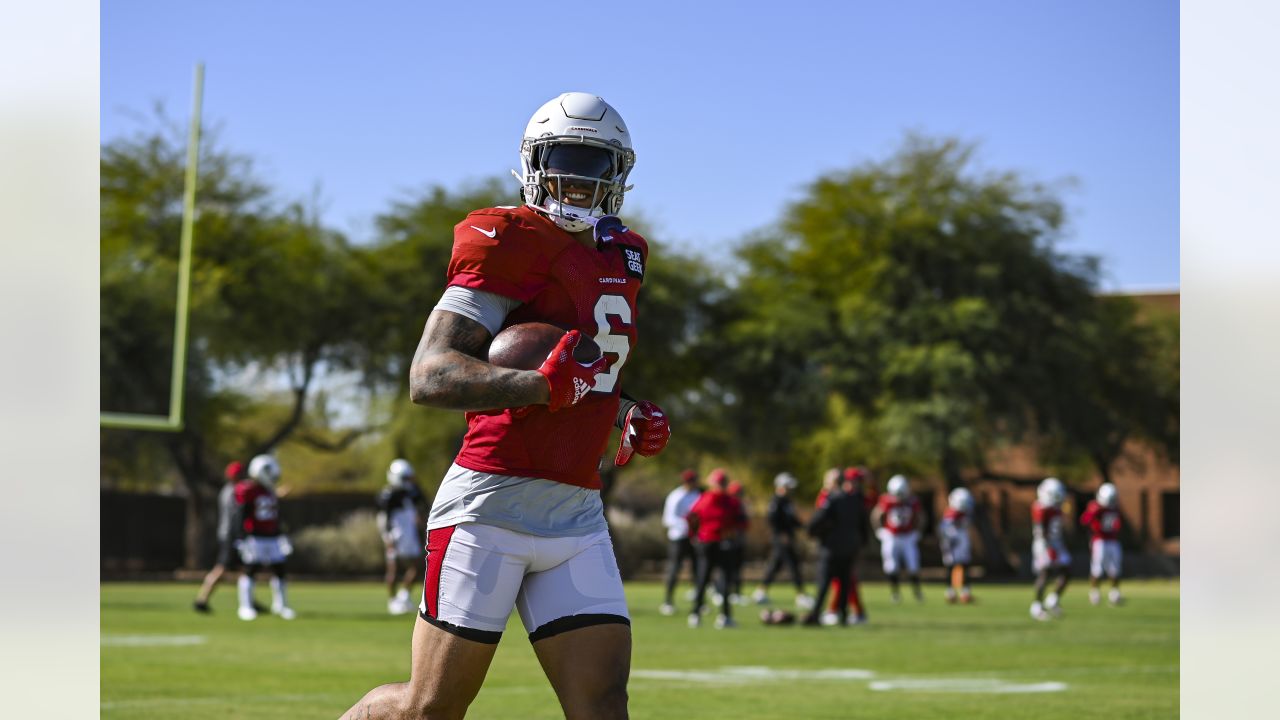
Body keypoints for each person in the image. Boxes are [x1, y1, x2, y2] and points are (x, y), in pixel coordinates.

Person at [340, 92, 670, 720]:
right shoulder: (505, 236)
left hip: (575, 511)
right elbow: (431, 374)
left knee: (602, 705)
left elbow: (581, 372)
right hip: (489, 504)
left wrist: (620, 409)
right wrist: (542, 388)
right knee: (429, 709)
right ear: (532, 162)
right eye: (564, 157)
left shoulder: (623, 253)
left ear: (619, 173)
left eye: (595, 162)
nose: (577, 177)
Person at [802, 469, 869, 626]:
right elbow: (863, 525)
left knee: (824, 582)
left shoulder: (832, 499)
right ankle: (843, 615)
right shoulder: (856, 501)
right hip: (850, 548)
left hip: (832, 548)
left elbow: (818, 521)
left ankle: (816, 614)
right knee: (845, 582)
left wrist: (813, 533)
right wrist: (860, 543)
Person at [233, 454, 295, 621]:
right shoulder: (248, 490)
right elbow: (241, 514)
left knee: (280, 570)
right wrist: (240, 537)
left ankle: (281, 605)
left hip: (272, 536)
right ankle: (245, 606)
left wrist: (282, 535)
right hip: (255, 537)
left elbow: (276, 515)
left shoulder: (270, 491)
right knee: (250, 570)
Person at [685, 469, 748, 629]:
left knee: (724, 581)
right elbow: (692, 518)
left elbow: (742, 522)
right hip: (709, 543)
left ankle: (724, 616)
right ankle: (696, 613)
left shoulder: (727, 501)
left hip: (723, 542)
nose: (720, 486)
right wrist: (694, 535)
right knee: (703, 579)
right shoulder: (709, 499)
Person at [193, 460, 250, 613]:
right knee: (221, 569)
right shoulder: (234, 492)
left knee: (246, 569)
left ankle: (249, 600)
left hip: (230, 535)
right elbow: (236, 516)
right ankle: (202, 599)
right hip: (231, 536)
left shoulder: (229, 490)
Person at [752, 472, 813, 610]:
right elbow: (772, 520)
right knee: (793, 565)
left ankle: (760, 592)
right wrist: (781, 535)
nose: (790, 490)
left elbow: (792, 520)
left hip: (787, 537)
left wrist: (805, 526)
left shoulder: (787, 502)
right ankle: (800, 595)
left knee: (775, 566)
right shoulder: (776, 501)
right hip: (781, 539)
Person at [378, 458, 430, 615]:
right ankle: (392, 601)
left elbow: (425, 506)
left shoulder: (413, 492)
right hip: (396, 533)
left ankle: (403, 595)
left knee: (418, 564)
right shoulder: (388, 495)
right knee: (393, 567)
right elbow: (384, 518)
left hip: (410, 533)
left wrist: (420, 517)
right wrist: (387, 537)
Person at [871, 474, 924, 603]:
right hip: (892, 535)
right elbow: (876, 515)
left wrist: (918, 531)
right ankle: (895, 594)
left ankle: (917, 593)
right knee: (891, 565)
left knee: (913, 564)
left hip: (908, 535)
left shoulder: (912, 501)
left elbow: (921, 517)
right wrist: (878, 530)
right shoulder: (886, 500)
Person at [659, 469, 701, 616]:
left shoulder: (698, 495)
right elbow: (668, 519)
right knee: (674, 569)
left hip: (694, 538)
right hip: (678, 538)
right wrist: (686, 525)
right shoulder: (676, 496)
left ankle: (699, 602)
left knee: (698, 569)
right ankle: (668, 602)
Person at [1030, 476, 1072, 621]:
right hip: (1044, 543)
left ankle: (1053, 600)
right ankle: (1036, 606)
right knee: (1045, 573)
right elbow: (1042, 531)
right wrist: (1049, 548)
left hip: (1056, 543)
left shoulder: (1056, 508)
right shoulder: (1040, 508)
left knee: (1067, 571)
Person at [1080, 482, 1123, 606]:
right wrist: (1093, 513)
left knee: (1115, 568)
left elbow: (1117, 524)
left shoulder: (1115, 508)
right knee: (1097, 568)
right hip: (1099, 541)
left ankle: (1114, 593)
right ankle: (1094, 593)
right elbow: (1084, 521)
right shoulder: (1096, 507)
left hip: (1113, 540)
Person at [939, 487, 975, 604]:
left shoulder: (964, 513)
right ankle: (951, 591)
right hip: (953, 541)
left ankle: (964, 591)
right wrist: (948, 542)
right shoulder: (951, 515)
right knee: (951, 565)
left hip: (961, 540)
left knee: (964, 564)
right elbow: (945, 530)